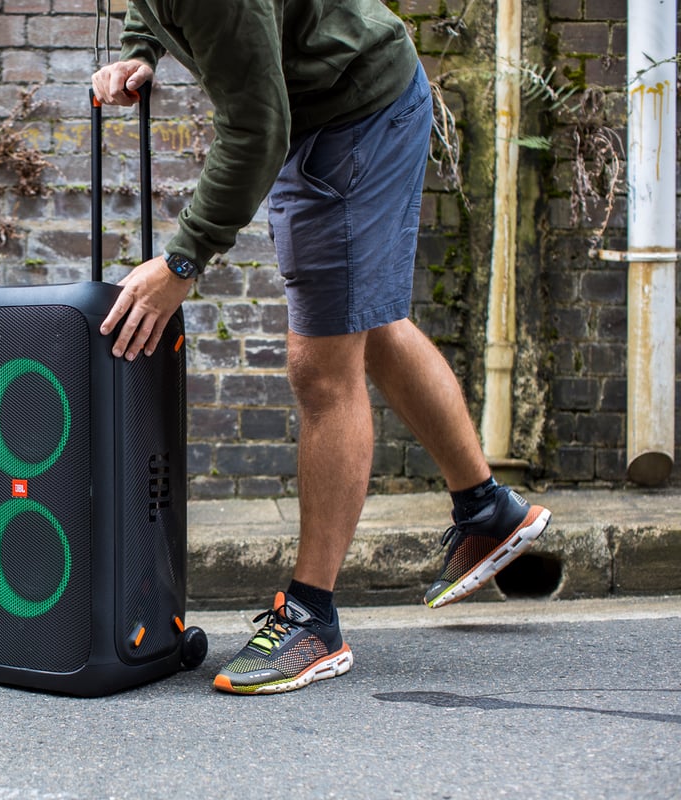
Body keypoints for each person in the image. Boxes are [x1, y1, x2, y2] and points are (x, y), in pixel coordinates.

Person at [91, 0, 552, 695]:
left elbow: (256, 129)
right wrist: (140, 49)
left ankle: (313, 619)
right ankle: (487, 508)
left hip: (353, 115)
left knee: (321, 366)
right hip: (335, 107)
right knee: (364, 321)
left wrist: (182, 263)